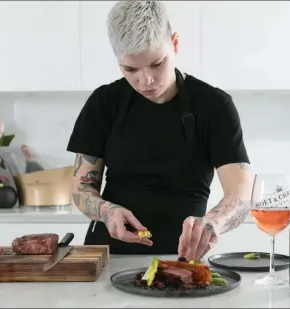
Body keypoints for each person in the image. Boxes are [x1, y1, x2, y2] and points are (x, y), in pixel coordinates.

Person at [67, 0, 253, 262]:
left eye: (156, 63)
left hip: (181, 258)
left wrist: (213, 223)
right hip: (108, 256)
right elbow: (81, 189)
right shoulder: (104, 102)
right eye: (130, 69)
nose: (146, 80)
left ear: (174, 44)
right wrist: (107, 212)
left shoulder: (213, 105)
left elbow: (240, 194)